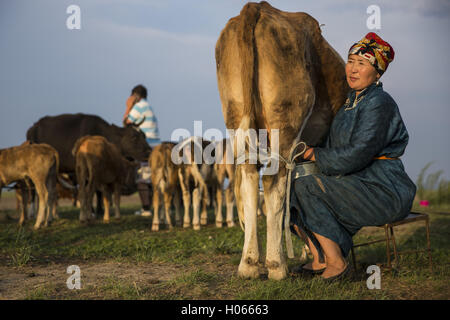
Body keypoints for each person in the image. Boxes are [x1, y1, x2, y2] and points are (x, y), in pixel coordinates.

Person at [289, 33, 416, 281]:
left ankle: (337, 264)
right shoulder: (350, 102)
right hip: (359, 183)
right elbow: (331, 145)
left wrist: (314, 153)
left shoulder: (379, 103)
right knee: (289, 187)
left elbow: (358, 154)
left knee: (308, 186)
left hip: (384, 188)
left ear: (377, 73)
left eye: (362, 63)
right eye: (350, 61)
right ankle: (320, 258)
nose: (353, 69)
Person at [123, 84, 161, 216]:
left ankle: (146, 209)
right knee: (154, 178)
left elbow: (126, 123)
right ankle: (155, 208)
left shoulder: (139, 107)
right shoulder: (149, 106)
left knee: (142, 179)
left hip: (146, 147)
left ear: (135, 96)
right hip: (156, 145)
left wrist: (128, 106)